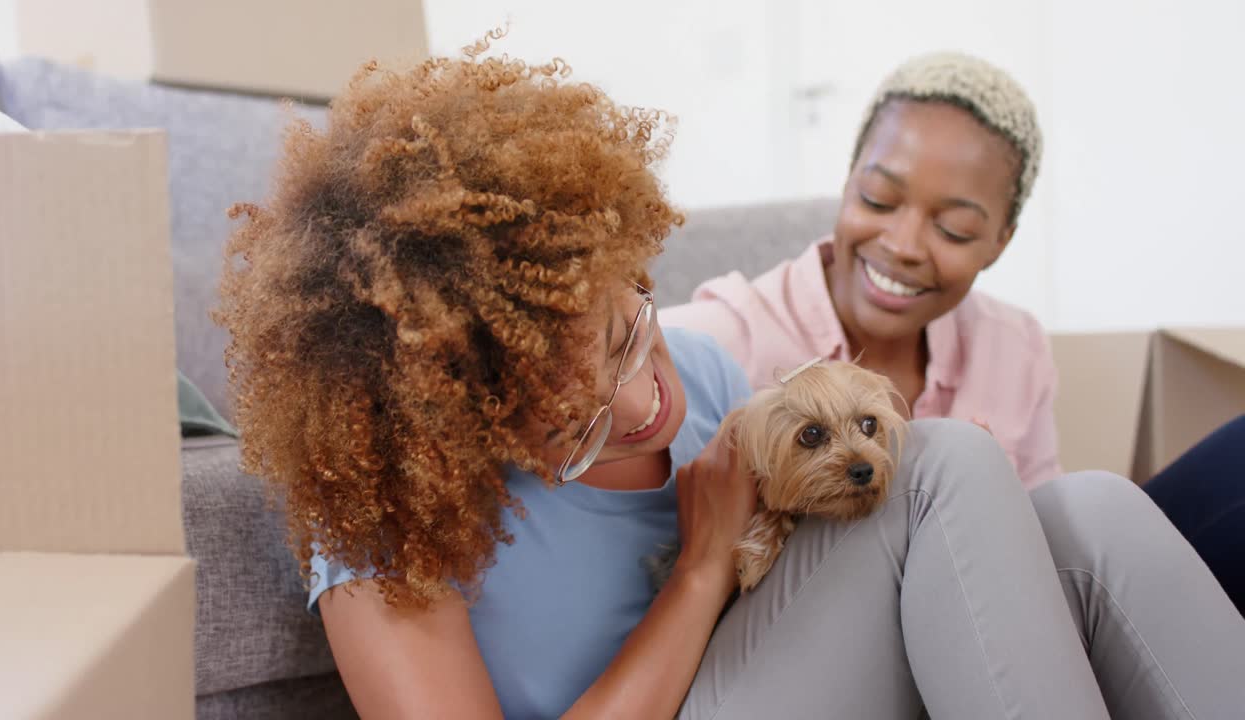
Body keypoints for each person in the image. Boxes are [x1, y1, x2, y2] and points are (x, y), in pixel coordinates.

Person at [216, 40, 1245, 720]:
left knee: (1089, 516)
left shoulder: (709, 369)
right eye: (572, 427)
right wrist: (700, 569)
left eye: (628, 331)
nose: (645, 407)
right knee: (941, 465)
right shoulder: (382, 523)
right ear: (465, 427)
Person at [662, 51, 1245, 615]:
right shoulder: (712, 342)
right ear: (848, 181)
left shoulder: (1013, 347)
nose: (903, 247)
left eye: (955, 229)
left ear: (1000, 242)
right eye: (878, 199)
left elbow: (1049, 533)